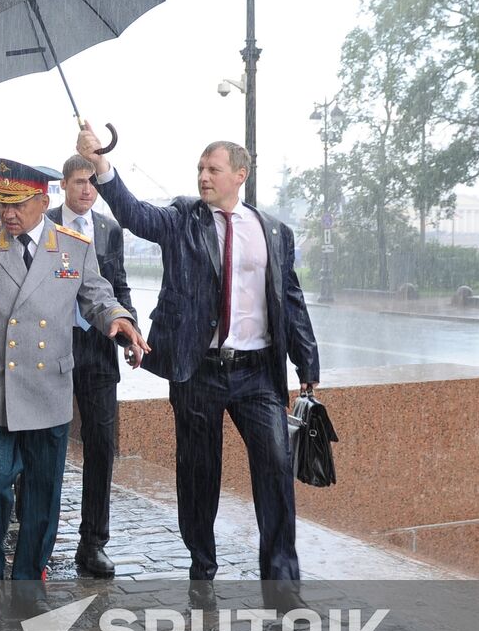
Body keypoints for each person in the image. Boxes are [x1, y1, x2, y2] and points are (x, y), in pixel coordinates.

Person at [75, 125, 320, 605]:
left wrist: (306, 363)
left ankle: (283, 584)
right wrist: (102, 165)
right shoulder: (183, 219)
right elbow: (134, 214)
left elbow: (290, 299)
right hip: (198, 370)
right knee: (197, 474)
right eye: (201, 170)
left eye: (214, 170)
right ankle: (202, 566)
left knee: (274, 470)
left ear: (240, 175)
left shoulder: (273, 231)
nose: (204, 177)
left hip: (257, 375)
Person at [0, 159, 146, 584]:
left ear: (44, 201)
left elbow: (98, 297)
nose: (8, 214)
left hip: (48, 388)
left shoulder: (74, 247)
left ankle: (27, 578)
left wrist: (118, 320)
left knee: (43, 494)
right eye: (1, 203)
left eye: (18, 205)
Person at [47, 154, 137, 578]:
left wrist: (130, 330)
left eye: (93, 183)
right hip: (51, 347)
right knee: (44, 445)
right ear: (63, 184)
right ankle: (39, 536)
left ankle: (93, 542)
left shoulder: (109, 230)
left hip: (99, 348)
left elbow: (118, 284)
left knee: (101, 447)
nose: (87, 189)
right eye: (80, 182)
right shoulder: (42, 223)